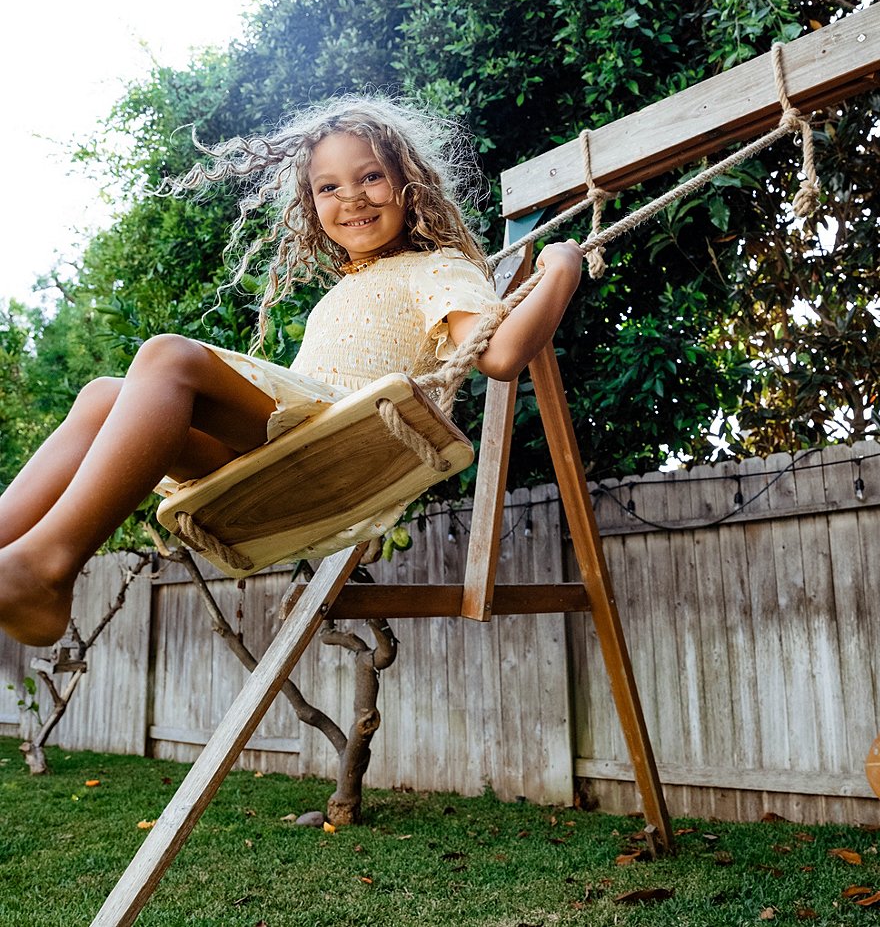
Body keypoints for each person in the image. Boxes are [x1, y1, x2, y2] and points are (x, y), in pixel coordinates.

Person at [0, 95, 583, 648]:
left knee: (169, 356)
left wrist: (562, 264)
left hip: (341, 450)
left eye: (371, 177)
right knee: (105, 395)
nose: (351, 197)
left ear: (412, 186)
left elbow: (500, 355)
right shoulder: (348, 288)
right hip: (284, 454)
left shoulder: (438, 266)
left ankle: (45, 568)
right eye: (328, 186)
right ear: (311, 205)